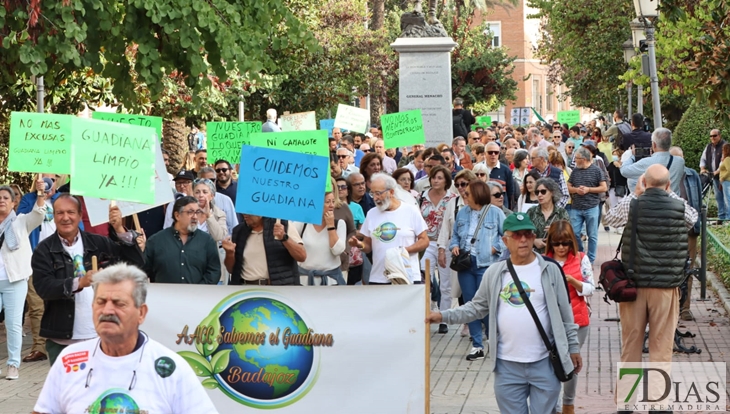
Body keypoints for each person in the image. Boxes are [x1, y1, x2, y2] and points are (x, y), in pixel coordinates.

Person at [428, 212, 581, 413]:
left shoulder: (550, 269)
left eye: (528, 234)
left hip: (544, 362)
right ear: (505, 240)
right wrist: (442, 316)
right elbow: (476, 307)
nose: (524, 239)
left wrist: (573, 347)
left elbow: (565, 313)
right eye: (517, 235)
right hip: (507, 366)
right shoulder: (495, 272)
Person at [32, 264, 218, 414]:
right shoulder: (69, 360)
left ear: (141, 313)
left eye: (119, 303)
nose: (107, 311)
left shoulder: (171, 369)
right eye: (101, 302)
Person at [604, 165, 697, 405]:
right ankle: (659, 403)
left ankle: (627, 402)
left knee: (631, 345)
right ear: (668, 185)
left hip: (633, 287)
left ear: (643, 181)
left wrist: (636, 194)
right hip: (666, 289)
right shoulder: (678, 206)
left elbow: (610, 217)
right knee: (661, 347)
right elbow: (693, 219)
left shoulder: (632, 204)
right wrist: (669, 193)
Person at [31, 194, 145, 365]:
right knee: (68, 391)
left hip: (102, 336)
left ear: (79, 215)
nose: (65, 217)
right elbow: (43, 288)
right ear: (53, 216)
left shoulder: (98, 243)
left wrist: (120, 229)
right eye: (60, 213)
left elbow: (135, 265)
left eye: (70, 212)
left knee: (102, 389)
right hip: (63, 342)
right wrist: (78, 283)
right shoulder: (44, 250)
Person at [449, 181, 506, 360]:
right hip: (465, 264)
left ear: (478, 195)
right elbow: (455, 235)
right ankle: (477, 344)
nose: (464, 196)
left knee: (488, 302)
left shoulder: (495, 213)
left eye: (468, 194)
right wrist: (454, 246)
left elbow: (507, 236)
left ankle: (492, 338)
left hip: (486, 264)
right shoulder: (462, 213)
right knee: (469, 304)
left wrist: (495, 248)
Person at [544, 221, 594, 414]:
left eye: (565, 243)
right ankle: (552, 406)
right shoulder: (542, 260)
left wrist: (574, 281)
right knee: (551, 364)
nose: (561, 248)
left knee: (572, 364)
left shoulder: (581, 258)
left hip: (577, 321)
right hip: (550, 323)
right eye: (557, 244)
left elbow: (591, 288)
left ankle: (568, 405)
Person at [0, 180, 47, 379]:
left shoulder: (21, 222)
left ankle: (13, 365)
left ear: (13, 203)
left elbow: (39, 214)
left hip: (15, 280)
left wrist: (41, 192)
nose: (1, 201)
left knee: (13, 323)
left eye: (5, 198)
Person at [349, 173, 429, 284]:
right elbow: (368, 246)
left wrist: (403, 251)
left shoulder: (410, 211)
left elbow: (424, 240)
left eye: (378, 193)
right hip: (379, 278)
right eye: (372, 194)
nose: (375, 198)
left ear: (391, 192)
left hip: (406, 277)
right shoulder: (371, 214)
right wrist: (359, 244)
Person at [143, 196, 221, 284]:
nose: (195, 217)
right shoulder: (156, 240)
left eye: (197, 212)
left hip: (197, 296)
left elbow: (214, 271)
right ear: (177, 215)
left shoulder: (206, 240)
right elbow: (143, 270)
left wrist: (198, 290)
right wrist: (140, 251)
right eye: (190, 212)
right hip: (165, 295)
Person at [437, 170, 476, 334]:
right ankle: (467, 321)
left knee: (477, 288)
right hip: (458, 252)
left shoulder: (479, 201)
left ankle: (478, 320)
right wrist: (441, 249)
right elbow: (445, 227)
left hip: (478, 251)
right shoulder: (453, 203)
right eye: (458, 184)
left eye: (464, 184)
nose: (460, 188)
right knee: (461, 287)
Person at [419, 165, 457, 329]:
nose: (436, 180)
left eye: (440, 178)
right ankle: (425, 313)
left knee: (446, 283)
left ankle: (444, 317)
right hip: (426, 243)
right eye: (434, 177)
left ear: (446, 181)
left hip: (446, 244)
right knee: (424, 278)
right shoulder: (422, 196)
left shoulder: (452, 198)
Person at [224, 214, 306, 286]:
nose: (245, 215)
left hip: (277, 290)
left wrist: (284, 237)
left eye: (249, 211)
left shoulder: (282, 225)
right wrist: (229, 253)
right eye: (243, 211)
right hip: (246, 290)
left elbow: (301, 256)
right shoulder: (238, 231)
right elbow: (231, 270)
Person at [670, 146, 703, 321]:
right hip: (671, 230)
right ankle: (673, 306)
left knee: (688, 268)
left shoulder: (692, 175)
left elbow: (698, 200)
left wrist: (697, 225)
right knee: (672, 268)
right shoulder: (664, 175)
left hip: (689, 229)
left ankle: (685, 307)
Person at [296, 192, 347, 285]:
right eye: (327, 202)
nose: (331, 205)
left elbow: (338, 250)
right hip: (305, 281)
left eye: (333, 201)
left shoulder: (340, 224)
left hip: (331, 281)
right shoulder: (302, 223)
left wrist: (331, 226)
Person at [568, 147, 608, 263]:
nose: (575, 160)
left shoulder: (596, 170)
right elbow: (568, 187)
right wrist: (576, 190)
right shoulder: (575, 171)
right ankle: (580, 253)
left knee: (592, 235)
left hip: (592, 207)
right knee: (574, 233)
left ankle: (590, 259)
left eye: (577, 158)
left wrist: (588, 189)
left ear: (584, 159)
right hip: (576, 207)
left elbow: (604, 187)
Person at [620, 127, 685, 196]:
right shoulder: (680, 161)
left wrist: (632, 156)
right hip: (674, 202)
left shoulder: (647, 162)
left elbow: (624, 171)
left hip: (654, 202)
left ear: (654, 144)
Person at [528, 178, 570, 254]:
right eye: (537, 192)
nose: (539, 195)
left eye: (543, 192)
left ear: (552, 193)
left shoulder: (561, 212)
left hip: (556, 255)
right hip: (535, 256)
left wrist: (556, 230)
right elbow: (523, 233)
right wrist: (534, 241)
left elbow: (569, 235)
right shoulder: (531, 212)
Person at [337, 177, 365, 285]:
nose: (340, 189)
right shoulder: (329, 207)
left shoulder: (356, 207)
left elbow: (363, 232)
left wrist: (351, 233)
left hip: (352, 250)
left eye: (343, 187)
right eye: (337, 187)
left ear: (348, 190)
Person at [700, 128, 727, 222]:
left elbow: (724, 162)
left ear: (719, 136)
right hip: (715, 177)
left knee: (727, 197)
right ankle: (721, 217)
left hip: (725, 177)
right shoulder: (708, 147)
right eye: (711, 136)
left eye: (714, 135)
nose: (712, 138)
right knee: (718, 197)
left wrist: (717, 171)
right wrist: (702, 168)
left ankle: (728, 219)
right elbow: (703, 158)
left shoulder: (725, 146)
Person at [482, 142, 515, 209]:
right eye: (490, 152)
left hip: (501, 208)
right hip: (482, 207)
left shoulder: (506, 170)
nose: (493, 154)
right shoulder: (479, 168)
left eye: (496, 152)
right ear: (485, 153)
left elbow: (510, 192)